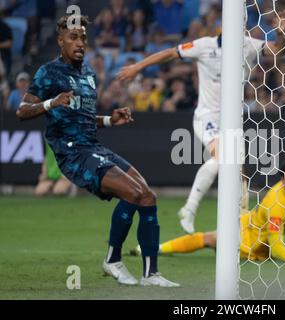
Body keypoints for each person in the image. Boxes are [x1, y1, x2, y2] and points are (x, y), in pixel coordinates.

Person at [16, 14, 179, 287]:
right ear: (60, 41)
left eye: (83, 38)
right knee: (133, 192)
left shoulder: (89, 74)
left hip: (92, 147)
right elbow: (22, 112)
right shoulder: (48, 72)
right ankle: (113, 260)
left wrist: (109, 120)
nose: (80, 43)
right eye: (73, 37)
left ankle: (151, 274)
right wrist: (51, 103)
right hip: (72, 153)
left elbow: (83, 117)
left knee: (148, 196)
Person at [118, 11, 285, 235]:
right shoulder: (204, 45)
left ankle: (240, 228)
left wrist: (280, 33)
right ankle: (189, 209)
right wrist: (138, 67)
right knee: (222, 158)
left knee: (240, 175)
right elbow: (171, 53)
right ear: (224, 27)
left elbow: (279, 50)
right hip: (207, 117)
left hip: (233, 121)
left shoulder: (248, 45)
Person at [131, 155, 285, 264]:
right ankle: (153, 248)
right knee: (209, 239)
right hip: (246, 242)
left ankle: (153, 248)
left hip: (250, 220)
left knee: (235, 208)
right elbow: (277, 247)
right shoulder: (277, 205)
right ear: (282, 179)